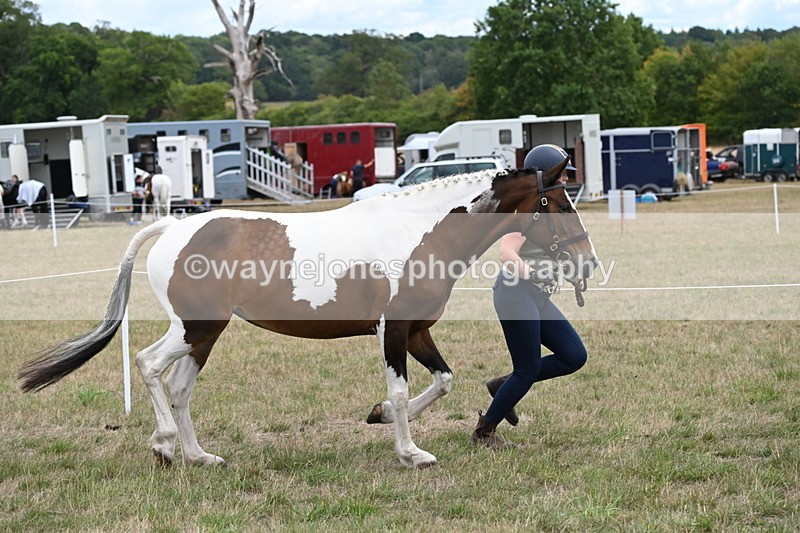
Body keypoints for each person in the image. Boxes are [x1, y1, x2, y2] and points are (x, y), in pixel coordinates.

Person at [471, 144, 588, 448]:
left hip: (537, 296)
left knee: (574, 356)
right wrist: (532, 274)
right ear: (546, 174)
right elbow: (507, 253)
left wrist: (572, 275)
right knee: (528, 369)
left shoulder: (550, 208)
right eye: (562, 175)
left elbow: (552, 251)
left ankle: (503, 386)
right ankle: (484, 433)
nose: (566, 179)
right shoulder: (527, 210)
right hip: (515, 293)